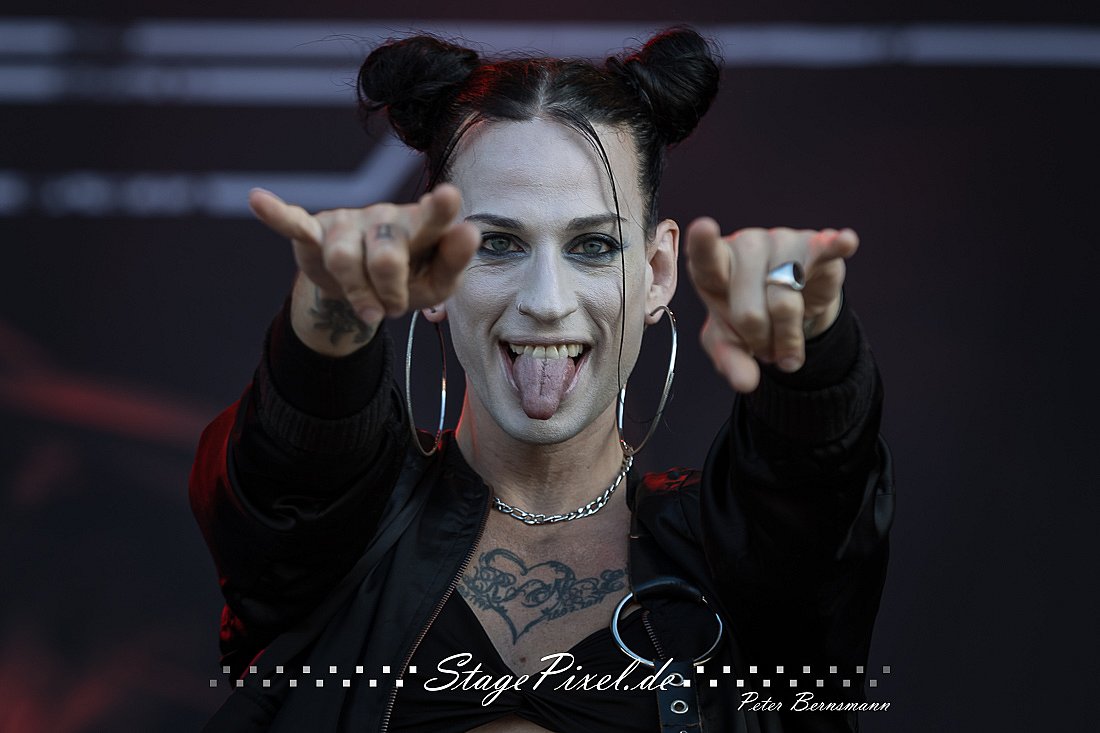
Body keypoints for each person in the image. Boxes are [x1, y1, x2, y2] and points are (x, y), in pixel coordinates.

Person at [190, 27, 893, 733]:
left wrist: (807, 333)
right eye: (498, 243)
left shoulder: (738, 560)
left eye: (593, 245)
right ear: (431, 267)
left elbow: (816, 498)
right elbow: (292, 476)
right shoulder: (343, 533)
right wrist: (328, 318)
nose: (547, 300)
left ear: (656, 272)